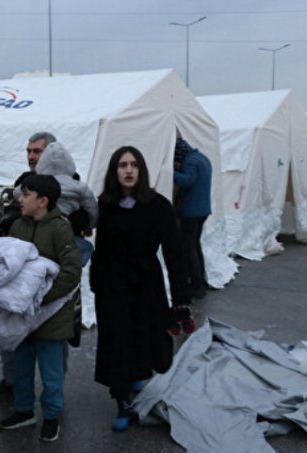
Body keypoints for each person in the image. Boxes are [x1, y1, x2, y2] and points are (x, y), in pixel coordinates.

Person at [90, 146, 193, 432]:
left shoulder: (158, 205)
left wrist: (181, 299)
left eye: (134, 164)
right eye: (122, 164)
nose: (128, 170)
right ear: (115, 170)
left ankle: (135, 373)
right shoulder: (105, 205)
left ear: (142, 170)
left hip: (146, 286)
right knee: (117, 340)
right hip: (113, 287)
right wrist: (95, 281)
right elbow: (101, 248)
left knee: (142, 336)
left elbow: (174, 253)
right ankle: (122, 399)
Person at [0, 131, 90, 398]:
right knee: (12, 326)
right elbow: (9, 215)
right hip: (23, 272)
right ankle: (12, 382)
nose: (31, 156)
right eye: (29, 151)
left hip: (57, 276)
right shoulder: (24, 183)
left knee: (56, 331)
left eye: (37, 151)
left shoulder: (72, 184)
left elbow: (86, 221)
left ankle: (54, 390)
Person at [0, 175, 82, 442]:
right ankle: (23, 410)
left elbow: (71, 271)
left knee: (51, 371)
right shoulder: (17, 227)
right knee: (21, 365)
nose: (19, 199)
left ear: (42, 201)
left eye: (25, 194)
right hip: (23, 317)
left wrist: (42, 298)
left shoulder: (60, 229)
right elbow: (7, 264)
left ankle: (52, 416)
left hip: (52, 317)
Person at [35, 142, 99, 266]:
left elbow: (18, 193)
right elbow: (92, 208)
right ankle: (73, 267)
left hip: (42, 231)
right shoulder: (78, 185)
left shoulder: (37, 183)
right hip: (69, 230)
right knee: (86, 248)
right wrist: (90, 225)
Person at [173, 137, 212, 299]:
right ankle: (200, 281)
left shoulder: (190, 161)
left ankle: (196, 286)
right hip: (202, 210)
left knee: (188, 248)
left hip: (192, 211)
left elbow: (188, 180)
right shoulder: (202, 158)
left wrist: (170, 171)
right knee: (195, 245)